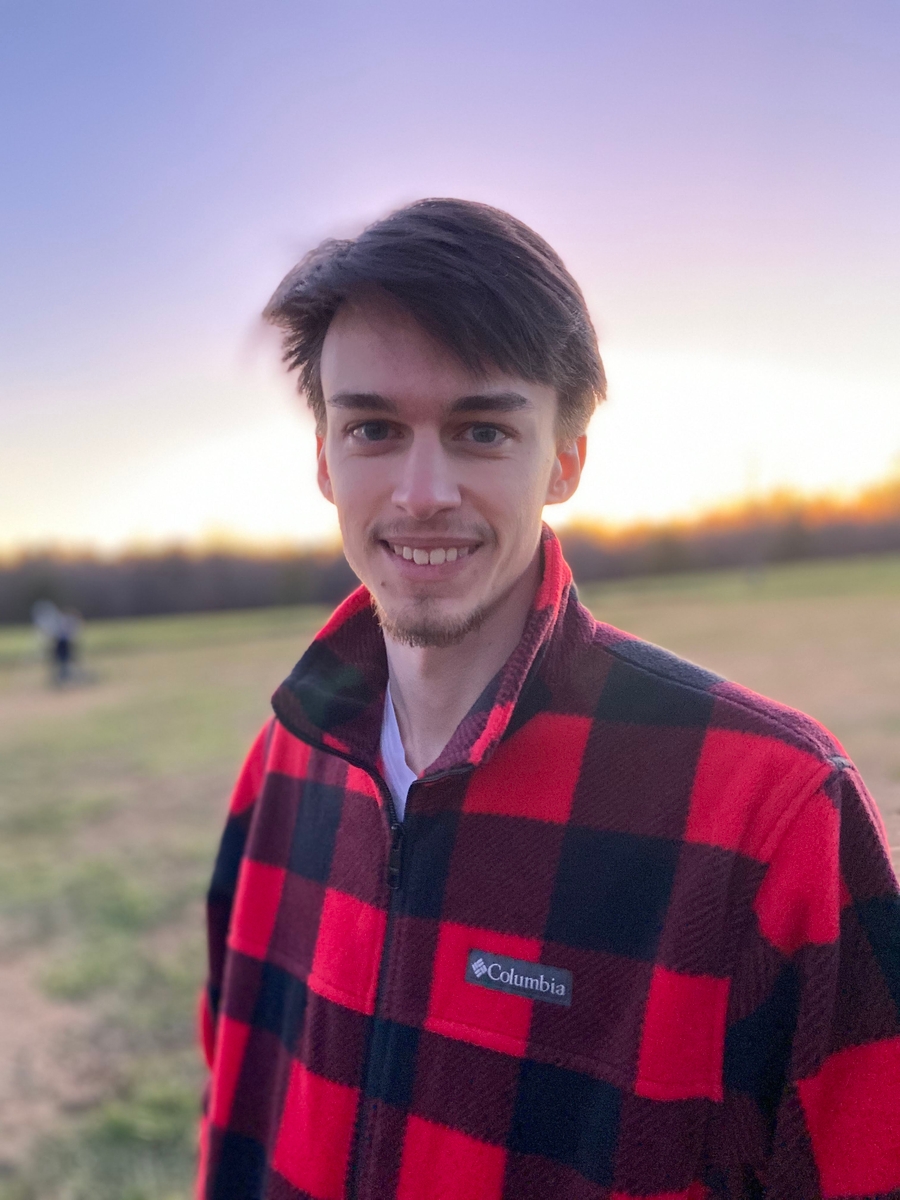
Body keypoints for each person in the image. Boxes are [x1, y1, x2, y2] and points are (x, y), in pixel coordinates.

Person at [198, 200, 900, 1200]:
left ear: (565, 458)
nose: (422, 492)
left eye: (482, 430)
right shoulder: (281, 766)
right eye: (373, 429)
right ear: (324, 458)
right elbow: (233, 1089)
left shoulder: (773, 813)